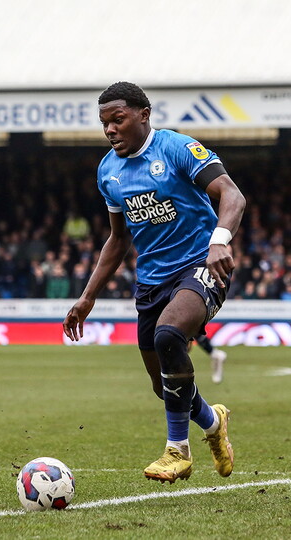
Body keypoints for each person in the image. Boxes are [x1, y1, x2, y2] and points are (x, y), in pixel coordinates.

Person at [63, 82, 245, 484]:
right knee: (164, 386)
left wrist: (220, 242)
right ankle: (212, 423)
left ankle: (176, 451)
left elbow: (232, 196)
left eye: (118, 119)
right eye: (104, 123)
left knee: (168, 336)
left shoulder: (178, 149)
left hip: (202, 265)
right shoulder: (108, 171)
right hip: (151, 281)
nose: (110, 130)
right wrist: (87, 297)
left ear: (143, 114)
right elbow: (118, 239)